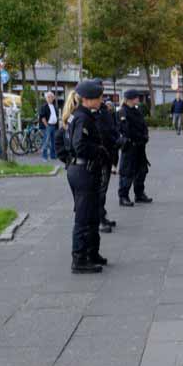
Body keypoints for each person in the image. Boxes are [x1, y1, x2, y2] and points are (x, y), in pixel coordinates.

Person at [65, 79, 113, 274]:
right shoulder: (82, 118)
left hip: (82, 170)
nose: (101, 100)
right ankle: (79, 259)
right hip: (83, 170)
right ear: (87, 99)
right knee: (84, 217)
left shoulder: (80, 115)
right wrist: (99, 150)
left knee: (92, 215)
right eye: (98, 97)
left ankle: (92, 253)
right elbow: (79, 146)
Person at [118, 89, 153, 207]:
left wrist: (145, 136)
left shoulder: (137, 111)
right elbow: (126, 130)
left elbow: (143, 125)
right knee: (127, 172)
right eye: (136, 97)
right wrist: (140, 136)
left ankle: (139, 194)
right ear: (130, 99)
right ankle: (123, 196)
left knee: (142, 170)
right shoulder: (122, 112)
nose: (138, 99)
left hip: (140, 146)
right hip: (130, 146)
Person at [95, 98, 119, 233]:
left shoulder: (103, 110)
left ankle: (102, 216)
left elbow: (111, 129)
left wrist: (117, 140)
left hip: (107, 154)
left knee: (103, 190)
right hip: (99, 157)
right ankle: (98, 219)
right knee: (99, 190)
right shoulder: (87, 113)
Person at [39, 92, 59, 161]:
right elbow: (43, 117)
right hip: (47, 126)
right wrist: (47, 126)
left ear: (53, 98)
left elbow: (56, 116)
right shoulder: (44, 107)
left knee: (53, 142)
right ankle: (44, 157)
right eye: (48, 97)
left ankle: (53, 155)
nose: (50, 98)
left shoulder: (54, 106)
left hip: (54, 126)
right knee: (46, 142)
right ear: (46, 98)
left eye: (51, 97)